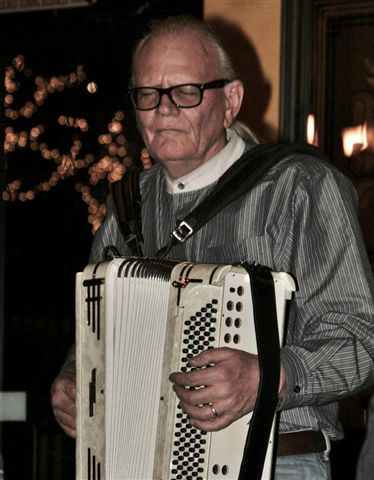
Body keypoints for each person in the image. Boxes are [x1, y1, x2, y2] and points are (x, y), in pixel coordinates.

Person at [51, 15, 374, 479]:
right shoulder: (127, 205)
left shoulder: (300, 186)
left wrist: (266, 376)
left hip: (276, 459)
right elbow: (96, 332)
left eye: (185, 92)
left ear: (230, 102)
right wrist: (73, 379)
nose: (163, 111)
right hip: (137, 463)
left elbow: (361, 338)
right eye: (147, 94)